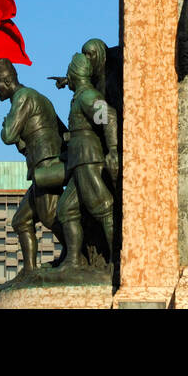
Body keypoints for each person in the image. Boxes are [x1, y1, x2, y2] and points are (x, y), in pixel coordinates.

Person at [0, 58, 66, 271]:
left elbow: (8, 135)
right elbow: (63, 131)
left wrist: (6, 126)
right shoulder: (40, 98)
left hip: (45, 165)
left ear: (6, 80)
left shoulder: (22, 98)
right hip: (43, 164)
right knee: (21, 221)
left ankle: (80, 252)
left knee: (50, 216)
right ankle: (29, 271)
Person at [57, 53, 119, 266]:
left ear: (75, 73)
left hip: (88, 159)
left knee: (103, 207)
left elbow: (108, 117)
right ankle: (73, 260)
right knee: (66, 209)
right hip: (78, 160)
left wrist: (112, 149)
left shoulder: (87, 96)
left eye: (69, 73)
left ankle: (117, 259)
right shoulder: (81, 95)